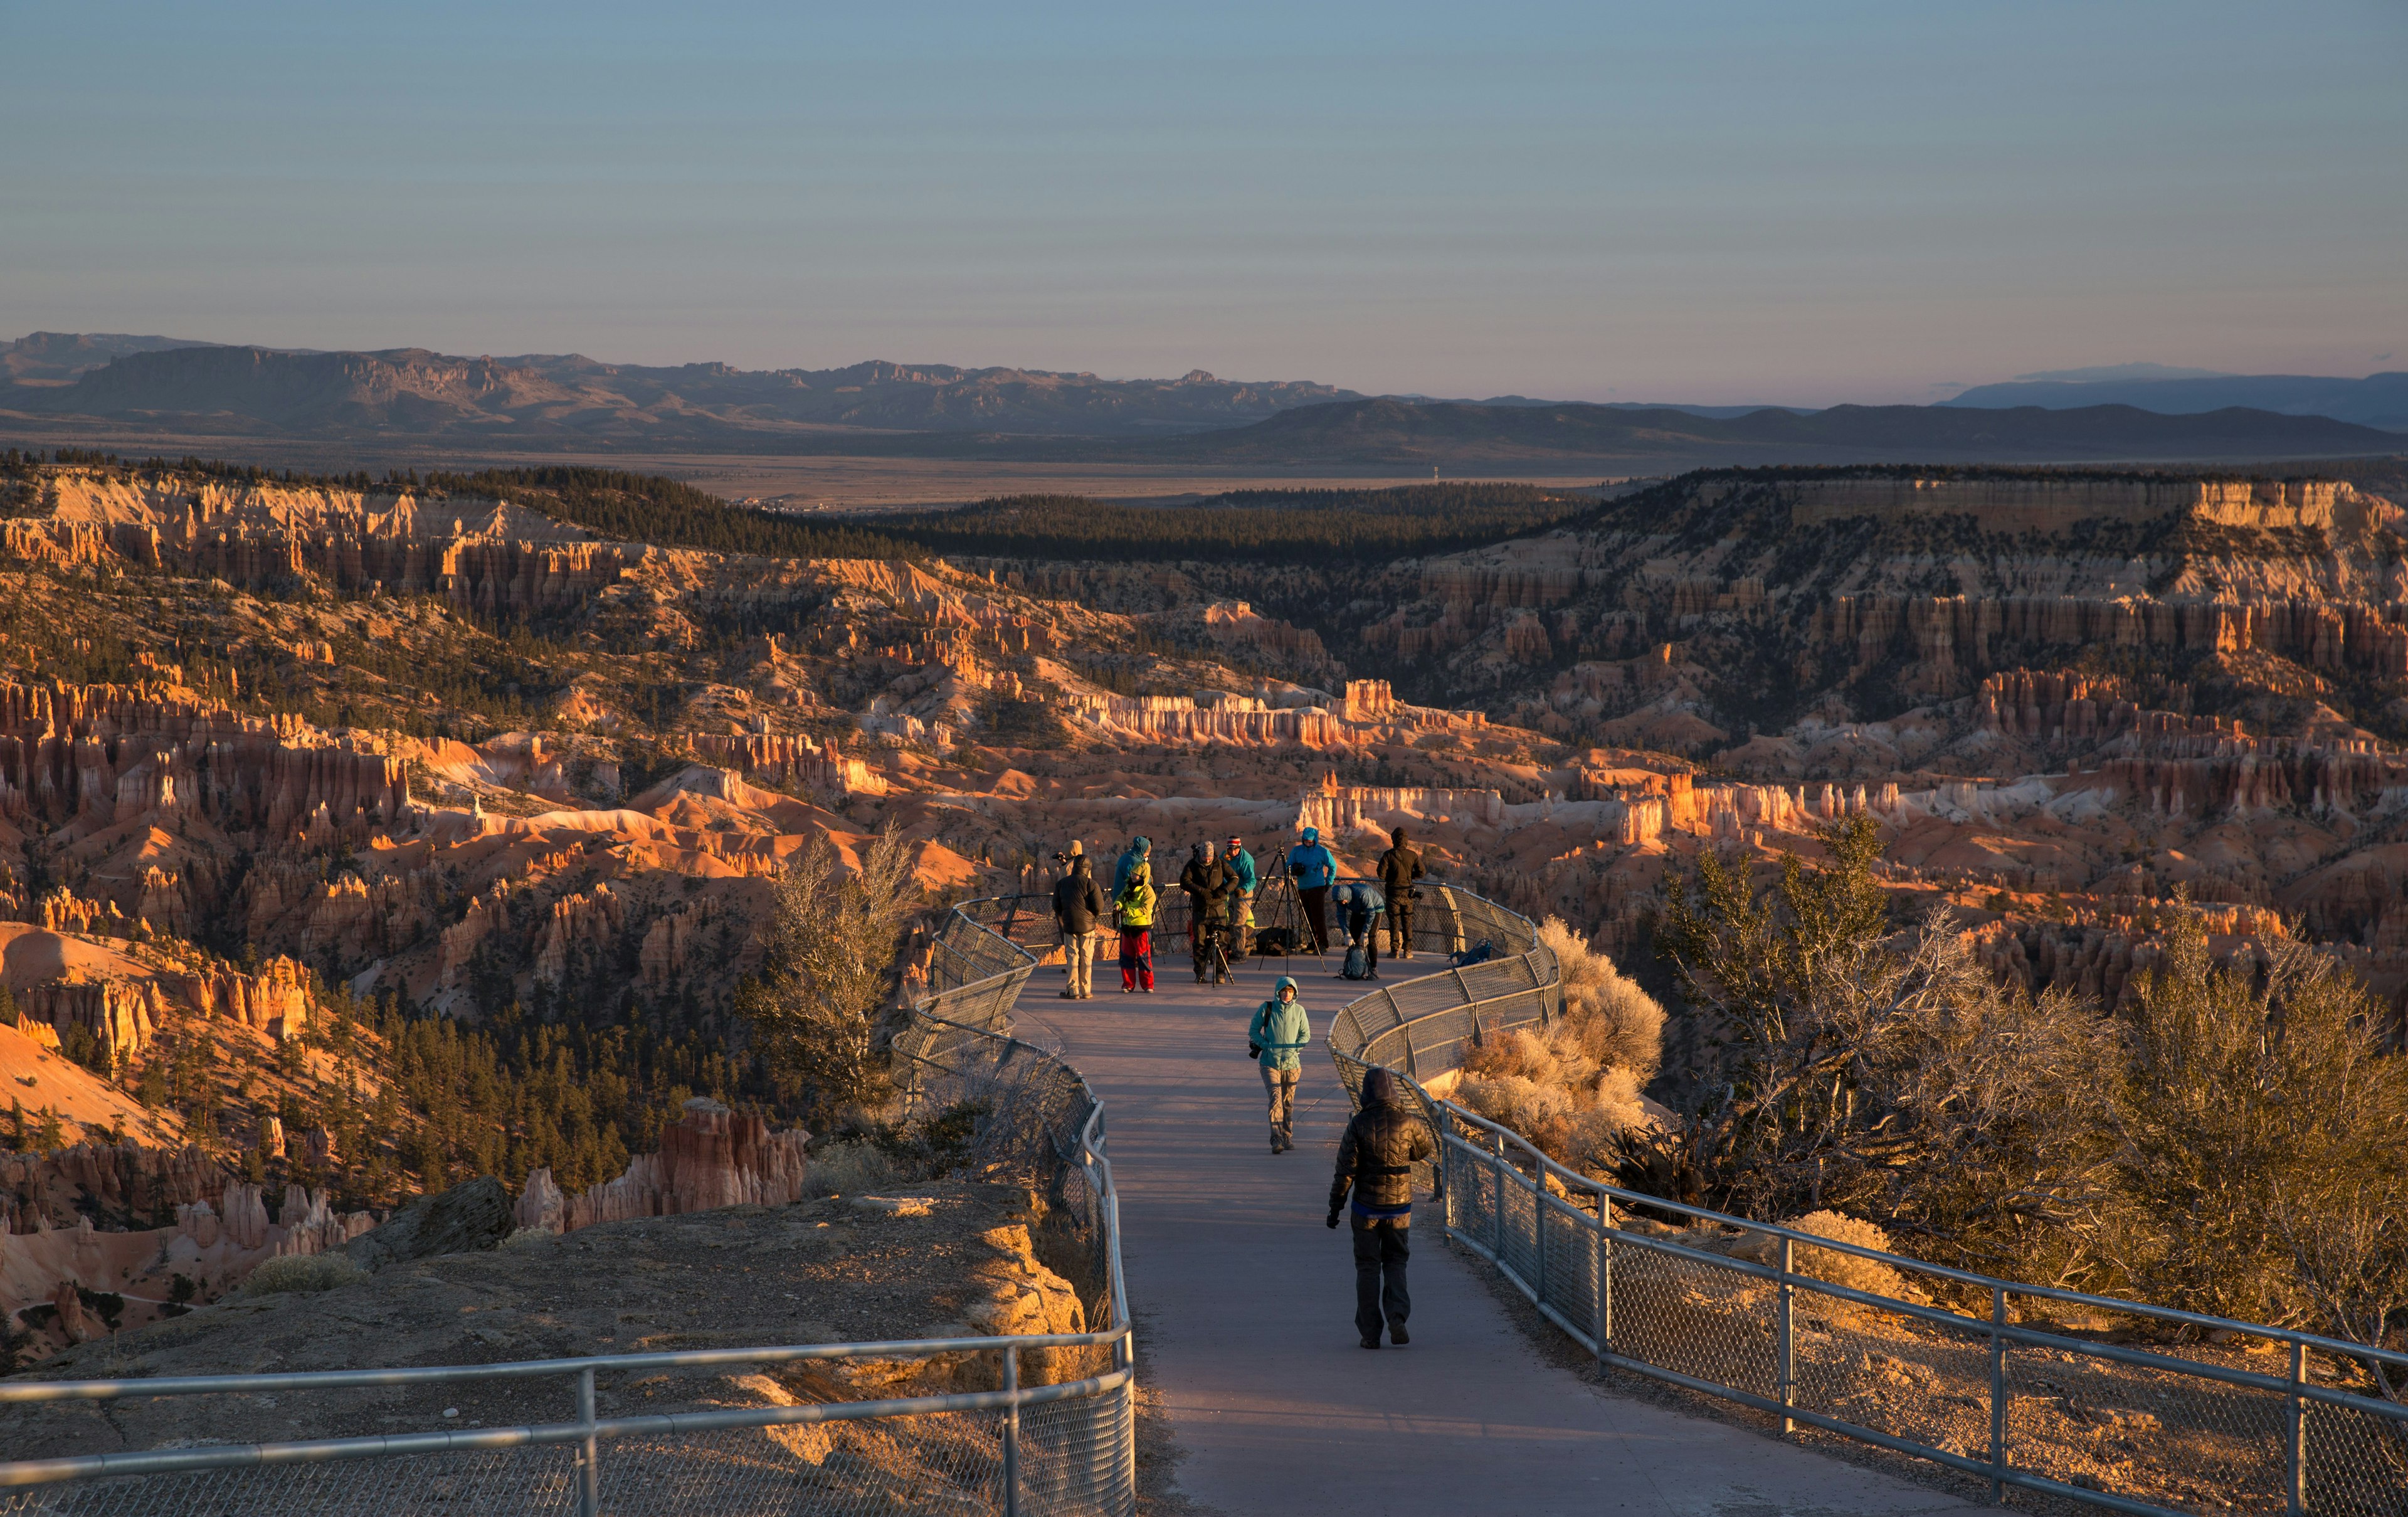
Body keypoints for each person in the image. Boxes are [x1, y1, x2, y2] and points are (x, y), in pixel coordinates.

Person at [1327, 1066, 1435, 1349]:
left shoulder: (1358, 1125)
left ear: (1366, 1093)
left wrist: (1335, 1208)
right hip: (1399, 1209)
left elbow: (1345, 1173)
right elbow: (1423, 1151)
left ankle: (1370, 1334)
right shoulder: (1408, 1122)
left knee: (1368, 1268)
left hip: (1365, 1210)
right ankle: (1397, 1318)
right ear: (1393, 1092)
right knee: (1396, 1262)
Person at [1247, 976, 1311, 1153]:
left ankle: (1287, 1136)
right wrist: (1265, 1045)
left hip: (1292, 1065)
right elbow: (1253, 1030)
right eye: (1284, 991)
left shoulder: (1299, 1011)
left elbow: (1306, 1035)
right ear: (1278, 992)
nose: (1287, 994)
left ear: (1295, 993)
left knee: (1287, 1102)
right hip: (1270, 1063)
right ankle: (1276, 1139)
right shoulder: (1266, 1008)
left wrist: (1295, 1048)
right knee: (1276, 1099)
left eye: (1291, 991)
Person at [1051, 851, 1107, 1000]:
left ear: (1075, 866)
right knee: (1087, 958)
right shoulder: (1091, 884)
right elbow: (1099, 907)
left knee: (1072, 957)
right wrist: (1091, 917)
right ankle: (1086, 990)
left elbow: (1056, 906)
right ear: (1088, 868)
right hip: (1088, 927)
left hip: (1069, 926)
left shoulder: (1062, 884)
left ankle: (1073, 990)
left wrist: (1066, 916)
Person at [1179, 842, 1233, 983]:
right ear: (1201, 855)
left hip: (1218, 909)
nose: (1207, 859)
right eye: (1205, 857)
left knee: (1221, 942)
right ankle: (1200, 973)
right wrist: (1201, 891)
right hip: (1201, 910)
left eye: (1209, 857)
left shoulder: (1220, 864)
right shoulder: (1193, 864)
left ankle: (1220, 974)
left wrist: (1224, 890)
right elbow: (1184, 881)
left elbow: (1235, 878)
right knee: (1200, 943)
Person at [1287, 826, 1339, 953]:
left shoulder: (1322, 851)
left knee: (1318, 916)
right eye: (1306, 841)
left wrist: (1329, 882)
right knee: (1308, 916)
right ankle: (1313, 941)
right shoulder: (1297, 851)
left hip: (1317, 887)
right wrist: (1294, 869)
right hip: (1303, 887)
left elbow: (1333, 866)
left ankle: (1323, 943)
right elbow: (1287, 865)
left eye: (1310, 841)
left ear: (1315, 840)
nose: (1308, 843)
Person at [1376, 826, 1424, 959]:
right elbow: (1422, 872)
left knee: (1394, 922)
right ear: (1406, 840)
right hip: (1408, 895)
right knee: (1407, 921)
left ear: (1394, 840)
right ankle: (1408, 951)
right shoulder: (1412, 855)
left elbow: (1381, 874)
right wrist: (1409, 876)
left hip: (1393, 894)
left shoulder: (1388, 855)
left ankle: (1394, 951)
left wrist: (1392, 878)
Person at [1115, 846, 1157, 993]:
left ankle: (1148, 985)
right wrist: (1118, 904)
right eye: (1133, 873)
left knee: (1143, 958)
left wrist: (1129, 912)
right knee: (1126, 958)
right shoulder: (1128, 887)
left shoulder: (1148, 892)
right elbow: (1121, 897)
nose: (1133, 876)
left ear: (1143, 875)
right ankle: (1128, 984)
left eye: (1136, 874)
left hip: (1141, 929)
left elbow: (1145, 910)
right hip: (1127, 927)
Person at [1334, 879, 1387, 975]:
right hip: (1358, 911)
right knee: (1354, 936)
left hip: (1375, 909)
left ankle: (1373, 968)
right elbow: (1341, 916)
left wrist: (1365, 932)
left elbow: (1371, 913)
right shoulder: (1340, 900)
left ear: (1347, 896)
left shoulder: (1363, 894)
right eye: (1340, 902)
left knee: (1370, 938)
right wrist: (1347, 934)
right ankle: (1356, 967)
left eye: (1343, 901)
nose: (1342, 903)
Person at [1224, 835, 1258, 951]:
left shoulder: (1246, 860)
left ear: (1240, 847)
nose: (1233, 852)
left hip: (1243, 894)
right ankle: (1234, 949)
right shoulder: (1225, 856)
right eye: (1230, 849)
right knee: (1232, 923)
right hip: (1231, 892)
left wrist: (1243, 890)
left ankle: (1239, 954)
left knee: (1238, 924)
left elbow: (1252, 880)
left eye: (1235, 849)